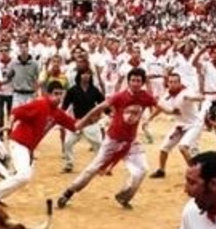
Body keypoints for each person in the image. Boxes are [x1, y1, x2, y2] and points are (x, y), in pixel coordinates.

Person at [58, 67, 161, 210]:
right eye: (133, 80)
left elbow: (160, 105)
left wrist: (169, 111)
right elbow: (99, 108)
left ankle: (124, 196)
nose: (135, 83)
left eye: (138, 81)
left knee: (142, 169)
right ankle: (68, 192)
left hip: (130, 142)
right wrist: (82, 122)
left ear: (142, 82)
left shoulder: (145, 96)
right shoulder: (120, 96)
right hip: (113, 140)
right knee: (93, 168)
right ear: (128, 81)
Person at [0, 80, 76, 205]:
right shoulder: (40, 104)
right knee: (24, 175)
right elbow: (16, 112)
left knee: (22, 175)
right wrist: (9, 124)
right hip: (18, 142)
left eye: (61, 94)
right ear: (47, 94)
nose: (58, 97)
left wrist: (93, 118)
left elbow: (75, 125)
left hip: (28, 148)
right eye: (55, 93)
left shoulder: (58, 113)